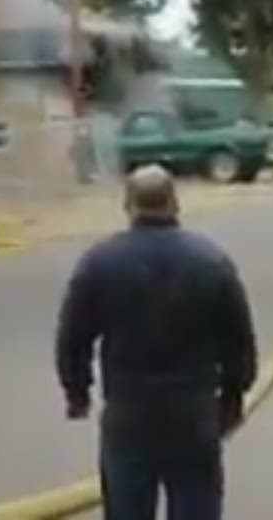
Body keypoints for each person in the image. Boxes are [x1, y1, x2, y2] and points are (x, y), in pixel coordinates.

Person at [55, 165, 258, 520]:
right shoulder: (211, 261)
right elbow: (238, 337)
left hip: (129, 413)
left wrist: (77, 392)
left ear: (128, 205)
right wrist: (233, 396)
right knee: (196, 503)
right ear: (175, 204)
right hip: (192, 412)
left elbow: (73, 336)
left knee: (127, 508)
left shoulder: (99, 263)